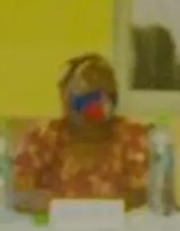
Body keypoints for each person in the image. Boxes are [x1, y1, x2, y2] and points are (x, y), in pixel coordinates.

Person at [12, 53, 150, 212]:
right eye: (85, 96)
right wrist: (42, 202)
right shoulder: (42, 138)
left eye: (105, 96)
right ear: (64, 97)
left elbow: (148, 196)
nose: (95, 105)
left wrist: (83, 209)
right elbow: (16, 196)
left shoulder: (134, 137)